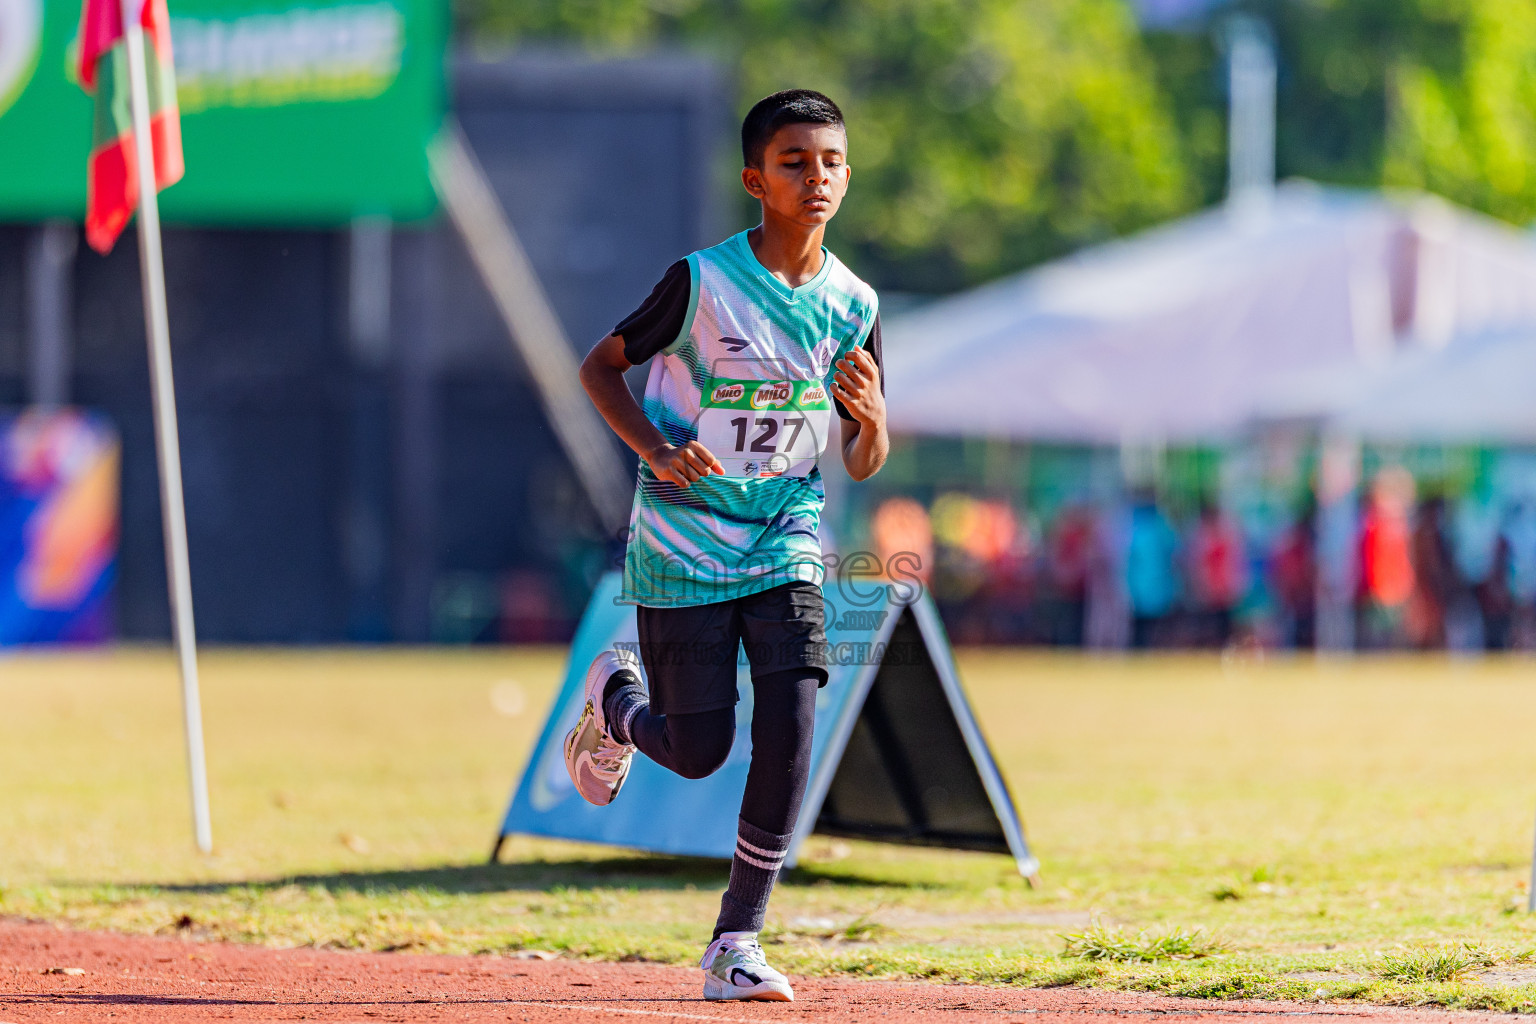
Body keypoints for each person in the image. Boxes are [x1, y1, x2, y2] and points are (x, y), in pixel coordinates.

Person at [565, 90, 886, 1002]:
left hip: (786, 537)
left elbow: (863, 459)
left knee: (793, 718)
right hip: (683, 541)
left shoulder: (854, 303)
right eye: (794, 162)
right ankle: (619, 704)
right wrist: (659, 448)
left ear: (848, 175)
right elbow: (599, 367)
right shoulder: (700, 283)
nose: (816, 178)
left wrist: (874, 420)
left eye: (830, 162)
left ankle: (736, 941)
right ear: (755, 179)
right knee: (701, 748)